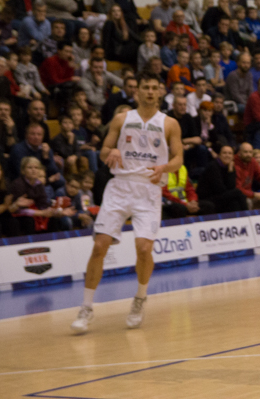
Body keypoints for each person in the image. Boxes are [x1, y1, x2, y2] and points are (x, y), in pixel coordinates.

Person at [70, 70, 183, 334]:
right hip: (119, 187)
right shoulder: (122, 118)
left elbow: (178, 158)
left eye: (155, 87)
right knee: (100, 246)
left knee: (144, 249)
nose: (150, 92)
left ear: (160, 92)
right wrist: (114, 150)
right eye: (145, 87)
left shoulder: (170, 123)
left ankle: (140, 299)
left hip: (149, 189)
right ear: (137, 90)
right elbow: (104, 150)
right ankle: (86, 308)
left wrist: (165, 168)